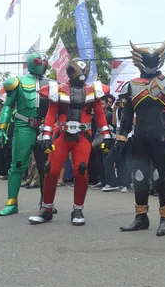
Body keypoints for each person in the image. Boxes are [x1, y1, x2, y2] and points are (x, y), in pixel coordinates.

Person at [117, 41, 165, 237]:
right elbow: (126, 117)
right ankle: (141, 218)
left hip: (161, 139)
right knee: (139, 178)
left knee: (162, 180)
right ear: (137, 62)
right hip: (140, 139)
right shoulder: (131, 86)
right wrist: (121, 138)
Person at [30, 59, 112, 226]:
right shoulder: (58, 90)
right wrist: (46, 135)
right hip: (62, 134)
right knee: (51, 170)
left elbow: (100, 114)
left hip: (83, 136)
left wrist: (107, 135)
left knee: (81, 171)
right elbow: (51, 114)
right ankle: (46, 209)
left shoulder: (93, 91)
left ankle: (78, 209)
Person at [0, 52, 52, 216]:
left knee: (45, 167)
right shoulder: (16, 81)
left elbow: (58, 110)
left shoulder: (52, 83)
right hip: (23, 126)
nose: (42, 63)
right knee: (18, 165)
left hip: (44, 129)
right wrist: (1, 128)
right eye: (39, 60)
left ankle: (46, 203)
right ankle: (11, 203)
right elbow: (7, 106)